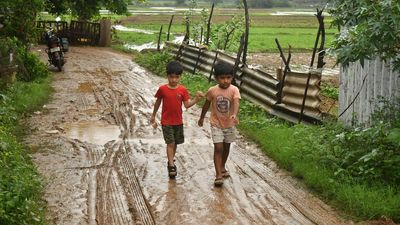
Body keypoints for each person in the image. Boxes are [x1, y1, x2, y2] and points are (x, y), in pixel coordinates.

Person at [150, 60, 203, 179]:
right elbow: (158, 102)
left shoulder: (183, 90)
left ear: (180, 77)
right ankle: (171, 165)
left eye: (176, 77)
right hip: (166, 122)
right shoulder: (162, 89)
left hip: (178, 122)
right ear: (167, 76)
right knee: (170, 143)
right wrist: (153, 115)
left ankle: (170, 160)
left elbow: (187, 105)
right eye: (171, 77)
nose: (174, 80)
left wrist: (196, 99)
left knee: (176, 143)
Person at [198, 61, 241, 187]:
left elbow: (236, 102)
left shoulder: (234, 90)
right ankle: (218, 175)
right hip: (216, 124)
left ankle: (222, 166)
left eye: (228, 77)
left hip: (229, 124)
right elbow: (206, 104)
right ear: (216, 78)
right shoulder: (213, 91)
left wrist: (234, 114)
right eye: (222, 78)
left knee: (226, 147)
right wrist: (201, 118)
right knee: (218, 148)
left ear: (232, 78)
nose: (225, 81)